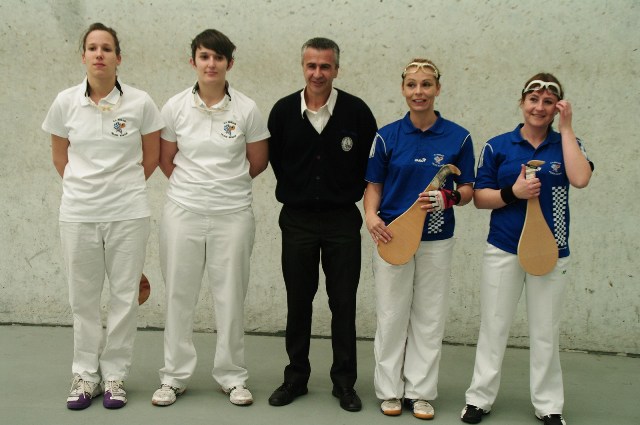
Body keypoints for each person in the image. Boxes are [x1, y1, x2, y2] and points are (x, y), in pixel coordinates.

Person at [42, 23, 163, 410]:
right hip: (78, 213)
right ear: (83, 57)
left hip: (128, 212)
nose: (99, 54)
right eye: (92, 48)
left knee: (125, 296)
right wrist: (87, 190)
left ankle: (114, 376)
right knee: (84, 298)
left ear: (118, 58)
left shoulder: (141, 103)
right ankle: (84, 375)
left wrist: (119, 189)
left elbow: (152, 157)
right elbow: (61, 158)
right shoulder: (64, 102)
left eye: (106, 48)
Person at [460, 73, 593, 425]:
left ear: (556, 108)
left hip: (552, 251)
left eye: (548, 102)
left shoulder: (569, 143)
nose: (539, 107)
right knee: (494, 325)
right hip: (503, 248)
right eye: (533, 99)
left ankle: (549, 406)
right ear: (522, 103)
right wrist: (512, 193)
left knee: (546, 330)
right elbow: (480, 199)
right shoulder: (498, 146)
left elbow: (580, 178)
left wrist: (566, 129)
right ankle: (479, 399)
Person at [151, 29, 269, 407]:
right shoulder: (174, 107)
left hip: (233, 214)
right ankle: (173, 377)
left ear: (229, 63)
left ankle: (232, 376)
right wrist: (196, 190)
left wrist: (223, 188)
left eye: (218, 57)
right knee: (179, 296)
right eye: (204, 56)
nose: (211, 63)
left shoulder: (247, 108)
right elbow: (166, 160)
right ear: (194, 62)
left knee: (230, 297)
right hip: (182, 213)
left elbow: (257, 161)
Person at [267, 37, 377, 412]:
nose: (318, 73)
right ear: (303, 67)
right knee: (298, 302)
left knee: (342, 302)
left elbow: (370, 167)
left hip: (342, 221)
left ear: (336, 69)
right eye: (311, 66)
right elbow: (279, 163)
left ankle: (344, 383)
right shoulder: (282, 112)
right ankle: (295, 378)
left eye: (325, 66)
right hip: (296, 221)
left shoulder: (357, 113)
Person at [364, 58, 475, 419]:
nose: (419, 92)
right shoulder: (387, 135)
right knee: (392, 314)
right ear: (403, 89)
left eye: (426, 85)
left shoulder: (459, 137)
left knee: (429, 316)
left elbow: (469, 188)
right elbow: (374, 186)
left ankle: (421, 391)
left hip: (437, 239)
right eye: (412, 85)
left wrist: (450, 197)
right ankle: (389, 390)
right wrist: (370, 216)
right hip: (393, 236)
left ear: (438, 89)